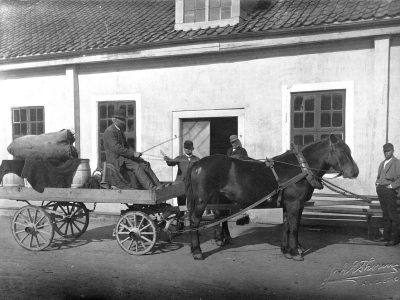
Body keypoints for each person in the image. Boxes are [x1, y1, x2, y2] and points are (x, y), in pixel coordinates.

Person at [103, 110, 161, 190]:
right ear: (114, 119)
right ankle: (151, 188)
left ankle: (158, 186)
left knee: (145, 164)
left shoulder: (120, 131)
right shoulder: (109, 131)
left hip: (123, 157)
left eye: (124, 120)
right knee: (136, 166)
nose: (124, 122)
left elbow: (126, 145)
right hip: (116, 159)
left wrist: (135, 154)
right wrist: (133, 154)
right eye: (121, 120)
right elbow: (116, 149)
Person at [375, 142, 400, 246]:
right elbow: (379, 176)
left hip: (389, 191)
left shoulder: (397, 163)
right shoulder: (382, 163)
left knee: (393, 215)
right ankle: (386, 237)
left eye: (388, 151)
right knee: (385, 215)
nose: (386, 153)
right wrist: (376, 183)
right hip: (381, 190)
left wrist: (391, 186)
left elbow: (399, 179)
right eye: (385, 151)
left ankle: (395, 239)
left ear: (393, 151)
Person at [163, 140, 200, 205]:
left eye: (189, 148)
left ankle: (190, 214)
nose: (187, 150)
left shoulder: (197, 159)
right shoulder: (180, 158)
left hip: (192, 184)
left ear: (192, 148)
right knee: (181, 202)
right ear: (184, 148)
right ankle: (181, 214)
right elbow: (171, 163)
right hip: (180, 183)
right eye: (186, 148)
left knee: (191, 202)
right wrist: (167, 159)